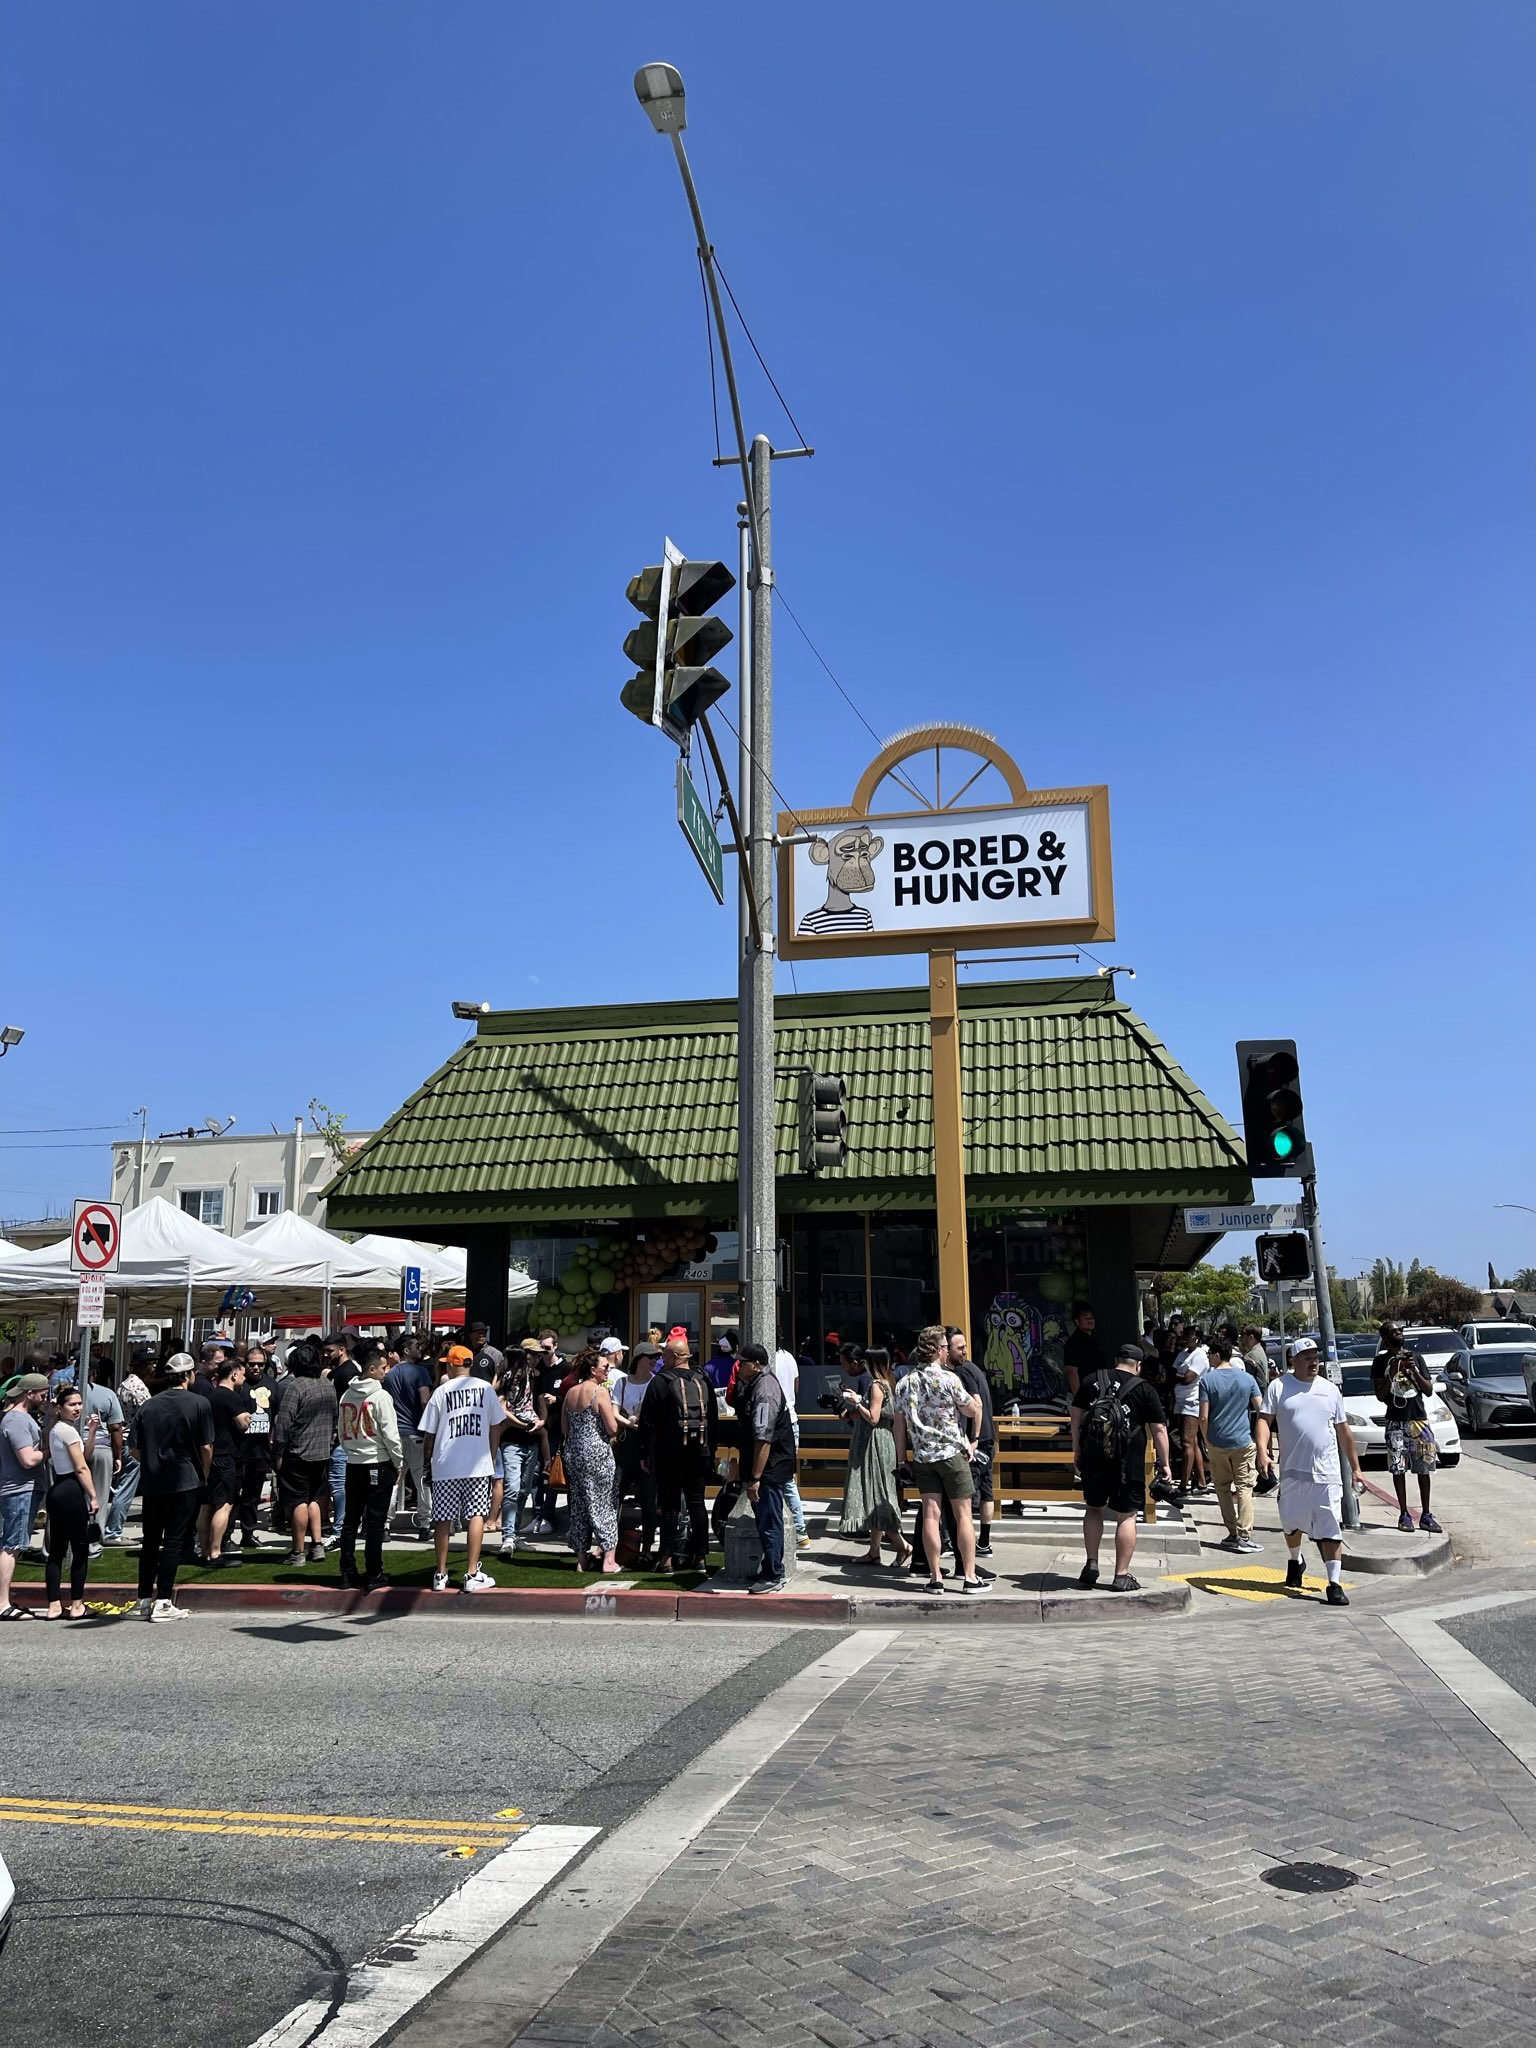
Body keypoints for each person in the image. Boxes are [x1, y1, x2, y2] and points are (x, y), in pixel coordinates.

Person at [1255, 1336, 1365, 1606]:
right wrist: (1262, 1451)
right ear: (1293, 1360)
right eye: (1306, 1358)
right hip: (1292, 1472)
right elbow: (1264, 1421)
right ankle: (1296, 1561)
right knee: (1291, 1524)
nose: (1313, 1362)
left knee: (1330, 1528)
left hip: (1326, 1474)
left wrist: (1356, 1468)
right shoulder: (1279, 1387)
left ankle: (1334, 1583)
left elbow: (1343, 1431)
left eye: (1315, 1357)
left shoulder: (1329, 1390)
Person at [1070, 1342, 1174, 1592]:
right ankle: (1121, 1575)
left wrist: (1077, 1449)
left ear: (1116, 1360)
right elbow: (1159, 1429)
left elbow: (1075, 1414)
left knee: (1093, 1509)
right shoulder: (1144, 1389)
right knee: (1126, 1516)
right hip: (1129, 1463)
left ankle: (1091, 1563)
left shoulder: (1092, 1380)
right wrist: (1165, 1464)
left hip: (1094, 1459)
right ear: (1138, 1365)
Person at [892, 1325, 987, 1595]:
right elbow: (970, 1408)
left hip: (923, 1456)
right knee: (963, 1515)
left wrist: (902, 1460)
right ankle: (969, 1576)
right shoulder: (949, 1379)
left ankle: (935, 1578)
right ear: (937, 1350)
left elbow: (898, 1426)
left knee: (931, 1516)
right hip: (951, 1453)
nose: (947, 1351)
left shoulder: (904, 1383)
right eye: (945, 1347)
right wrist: (973, 1432)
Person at [134, 1354, 214, 1621]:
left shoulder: (149, 1405)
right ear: (189, 1375)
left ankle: (144, 1598)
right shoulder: (199, 1403)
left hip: (154, 1481)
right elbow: (206, 1447)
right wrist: (203, 1473)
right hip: (185, 1480)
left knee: (150, 1541)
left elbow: (135, 1448)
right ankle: (164, 1600)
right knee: (174, 1541)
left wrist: (153, 1461)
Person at [419, 1343, 503, 1593]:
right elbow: (496, 1425)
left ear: (453, 1364)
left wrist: (428, 1462)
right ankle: (471, 1572)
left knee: (442, 1517)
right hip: (476, 1462)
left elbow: (429, 1434)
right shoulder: (486, 1389)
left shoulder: (441, 1391)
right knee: (476, 1514)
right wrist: (491, 1451)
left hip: (445, 1462)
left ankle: (441, 1573)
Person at [637, 1334, 719, 1573]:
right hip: (699, 1454)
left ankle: (666, 1559)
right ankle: (700, 1557)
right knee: (697, 1504)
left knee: (670, 1507)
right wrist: (710, 1451)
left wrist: (644, 1454)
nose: (662, 1358)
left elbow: (646, 1423)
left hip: (669, 1455)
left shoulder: (661, 1382)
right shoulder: (703, 1380)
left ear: (673, 1356)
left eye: (664, 1355)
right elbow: (713, 1420)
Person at [734, 1342, 799, 1594]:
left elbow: (763, 1438)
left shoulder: (765, 1391)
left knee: (769, 1519)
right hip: (767, 1466)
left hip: (769, 1468)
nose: (739, 1366)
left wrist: (756, 1478)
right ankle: (770, 1568)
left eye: (743, 1362)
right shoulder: (758, 1384)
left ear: (756, 1365)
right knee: (765, 1519)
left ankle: (774, 1573)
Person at [836, 1347, 911, 1567]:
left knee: (878, 1492)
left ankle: (903, 1546)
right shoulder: (887, 1383)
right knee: (874, 1494)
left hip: (875, 1443)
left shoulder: (877, 1385)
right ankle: (874, 1551)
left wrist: (856, 1402)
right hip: (881, 1441)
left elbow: (874, 1417)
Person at [337, 1343, 402, 1589]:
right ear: (372, 1369)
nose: (386, 1372)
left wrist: (351, 1451)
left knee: (351, 1519)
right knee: (374, 1521)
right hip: (378, 1461)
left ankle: (347, 1570)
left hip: (354, 1462)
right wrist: (398, 1463)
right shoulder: (381, 1396)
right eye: (383, 1368)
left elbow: (342, 1432)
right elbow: (391, 1436)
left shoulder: (346, 1394)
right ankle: (373, 1572)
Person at [270, 1342, 339, 1566]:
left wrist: (278, 1452)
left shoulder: (295, 1387)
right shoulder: (328, 1385)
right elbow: (335, 1418)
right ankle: (317, 1544)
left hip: (298, 1452)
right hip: (322, 1451)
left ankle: (297, 1550)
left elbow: (283, 1423)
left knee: (298, 1501)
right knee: (315, 1500)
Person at [1373, 1321, 1443, 1534]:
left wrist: (1413, 1372)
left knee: (1424, 1469)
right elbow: (1380, 1395)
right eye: (1394, 1331)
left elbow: (1429, 1390)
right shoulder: (1380, 1361)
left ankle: (1426, 1514)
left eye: (1400, 1330)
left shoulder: (1416, 1358)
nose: (1399, 1333)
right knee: (1398, 1468)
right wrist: (1391, 1373)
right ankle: (1404, 1514)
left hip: (1418, 1420)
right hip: (1395, 1421)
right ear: (1386, 1338)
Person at [1198, 1333, 1264, 1553]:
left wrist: (1207, 1439)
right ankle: (1244, 1534)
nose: (1208, 1357)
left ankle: (1232, 1533)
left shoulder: (1207, 1380)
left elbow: (1204, 1416)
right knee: (1245, 1487)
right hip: (1243, 1441)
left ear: (1217, 1355)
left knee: (1222, 1488)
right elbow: (1260, 1408)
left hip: (1217, 1442)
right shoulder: (1247, 1379)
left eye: (1209, 1353)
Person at [561, 1346, 621, 1574]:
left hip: (573, 1452)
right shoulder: (599, 1392)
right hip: (596, 1453)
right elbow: (612, 1427)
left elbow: (564, 1429)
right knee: (603, 1503)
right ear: (593, 1370)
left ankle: (581, 1559)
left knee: (579, 1505)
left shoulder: (570, 1393)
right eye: (604, 1367)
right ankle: (609, 1560)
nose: (607, 1370)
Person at [43, 1383, 97, 1619]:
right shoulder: (68, 1431)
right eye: (71, 1404)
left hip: (58, 1491)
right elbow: (81, 1467)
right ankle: (77, 1605)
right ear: (59, 1408)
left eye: (79, 1404)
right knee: (79, 1548)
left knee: (56, 1549)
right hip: (71, 1489)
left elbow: (84, 1455)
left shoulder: (57, 1430)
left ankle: (54, 1604)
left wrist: (92, 1432)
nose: (77, 1408)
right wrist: (93, 1495)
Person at [494, 1342, 550, 1558]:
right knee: (513, 1488)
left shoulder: (536, 1376)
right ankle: (508, 1536)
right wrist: (521, 1423)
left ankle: (513, 1534)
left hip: (531, 1438)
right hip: (512, 1441)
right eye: (532, 1355)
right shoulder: (509, 1376)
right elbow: (501, 1404)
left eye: (538, 1355)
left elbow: (540, 1402)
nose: (536, 1358)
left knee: (524, 1490)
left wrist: (541, 1421)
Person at [0, 1373, 48, 1619]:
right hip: (19, 1490)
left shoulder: (17, 1419)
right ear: (29, 1394)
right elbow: (28, 1459)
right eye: (42, 1394)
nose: (45, 1398)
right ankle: (2, 1604)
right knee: (12, 1545)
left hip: (21, 1489)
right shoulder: (17, 1420)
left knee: (12, 1544)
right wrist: (48, 1452)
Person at [946, 1328, 997, 1558]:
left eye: (964, 1346)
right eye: (960, 1347)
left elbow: (976, 1404)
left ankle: (964, 1544)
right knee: (986, 1492)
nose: (964, 1351)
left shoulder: (962, 1371)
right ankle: (983, 1542)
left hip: (977, 1441)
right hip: (987, 1437)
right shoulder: (973, 1368)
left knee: (967, 1497)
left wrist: (973, 1438)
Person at [196, 1355, 250, 1567]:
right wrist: (249, 1416)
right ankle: (216, 1553)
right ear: (234, 1374)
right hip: (226, 1455)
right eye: (243, 1375)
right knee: (224, 1503)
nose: (244, 1379)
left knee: (206, 1504)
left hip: (210, 1454)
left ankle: (204, 1550)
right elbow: (243, 1422)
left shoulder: (211, 1396)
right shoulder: (229, 1395)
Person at [382, 1335, 435, 1539]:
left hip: (395, 1433)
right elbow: (424, 1401)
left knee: (394, 1480)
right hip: (416, 1433)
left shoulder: (390, 1374)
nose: (419, 1349)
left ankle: (385, 1524)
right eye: (415, 1346)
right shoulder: (420, 1372)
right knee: (421, 1479)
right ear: (405, 1350)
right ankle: (424, 1525)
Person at [612, 1340, 661, 1561]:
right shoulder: (622, 1383)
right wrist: (628, 1422)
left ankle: (648, 1546)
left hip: (649, 1442)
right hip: (627, 1440)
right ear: (639, 1359)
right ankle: (610, 1543)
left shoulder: (655, 1382)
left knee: (649, 1497)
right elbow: (613, 1411)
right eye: (650, 1357)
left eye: (656, 1357)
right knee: (616, 1492)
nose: (654, 1360)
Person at [102, 1352, 153, 1546]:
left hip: (123, 1439)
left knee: (122, 1485)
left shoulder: (124, 1384)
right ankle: (113, 1531)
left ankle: (112, 1529)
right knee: (126, 1488)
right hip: (132, 1440)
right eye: (149, 1363)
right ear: (139, 1366)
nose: (153, 1367)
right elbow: (149, 1413)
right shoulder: (138, 1387)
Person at [78, 1372, 124, 1561]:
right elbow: (116, 1428)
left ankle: (61, 1545)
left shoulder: (64, 1392)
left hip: (71, 1447)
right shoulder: (106, 1394)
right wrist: (118, 1455)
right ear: (95, 1373)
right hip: (99, 1447)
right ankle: (93, 1545)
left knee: (70, 1496)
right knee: (99, 1497)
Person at [771, 1338, 811, 1551]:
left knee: (785, 1480)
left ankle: (799, 1529)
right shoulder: (789, 1357)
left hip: (781, 1422)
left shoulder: (771, 1359)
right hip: (792, 1418)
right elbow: (795, 1385)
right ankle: (796, 1528)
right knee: (787, 1478)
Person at [320, 1333, 358, 1544]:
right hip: (339, 1435)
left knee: (338, 1482)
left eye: (330, 1351)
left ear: (342, 1349)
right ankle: (341, 1526)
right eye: (325, 1351)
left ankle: (340, 1529)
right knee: (336, 1482)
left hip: (343, 1436)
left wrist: (340, 1433)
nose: (326, 1355)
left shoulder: (348, 1373)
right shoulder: (338, 1372)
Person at [1172, 1326, 1209, 1494]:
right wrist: (1178, 1376)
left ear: (1197, 1339)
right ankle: (1201, 1482)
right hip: (1179, 1400)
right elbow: (1172, 1371)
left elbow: (1188, 1378)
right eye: (1185, 1335)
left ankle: (1183, 1485)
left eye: (1190, 1336)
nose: (1185, 1338)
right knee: (1191, 1442)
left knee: (1187, 1442)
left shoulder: (1200, 1355)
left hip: (1192, 1401)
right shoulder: (1183, 1353)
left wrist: (1178, 1376)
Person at [1063, 1302, 1107, 1397]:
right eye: (1086, 1318)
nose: (1090, 1320)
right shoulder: (1073, 1343)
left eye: (1091, 1318)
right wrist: (1079, 1398)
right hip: (1084, 1395)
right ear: (1077, 1322)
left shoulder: (1095, 1341)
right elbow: (1071, 1371)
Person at [1240, 1324, 1272, 1394]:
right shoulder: (1260, 1349)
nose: (1241, 1338)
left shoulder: (1251, 1355)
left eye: (1243, 1335)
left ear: (1251, 1337)